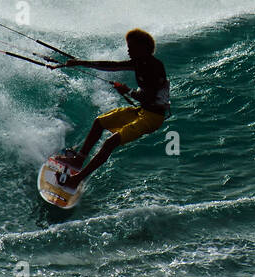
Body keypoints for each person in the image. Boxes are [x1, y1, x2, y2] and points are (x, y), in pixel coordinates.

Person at [52, 28, 170, 188]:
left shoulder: (154, 67)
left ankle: (76, 180)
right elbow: (112, 66)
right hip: (141, 111)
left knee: (110, 143)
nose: (128, 50)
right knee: (99, 122)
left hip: (153, 118)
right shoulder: (140, 62)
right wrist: (80, 62)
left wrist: (127, 90)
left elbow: (148, 97)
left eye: (131, 47)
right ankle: (79, 159)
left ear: (142, 48)